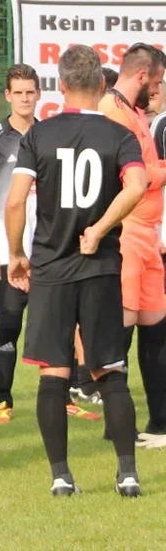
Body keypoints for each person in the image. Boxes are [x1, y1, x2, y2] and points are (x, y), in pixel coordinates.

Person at [5, 44, 147, 497]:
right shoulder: (119, 134)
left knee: (55, 372)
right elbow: (138, 185)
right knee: (109, 369)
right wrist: (100, 228)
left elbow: (15, 200)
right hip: (101, 266)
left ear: (60, 86)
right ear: (102, 84)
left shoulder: (38, 135)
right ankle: (127, 474)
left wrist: (16, 254)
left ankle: (62, 477)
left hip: (51, 269)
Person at [98, 44, 166, 442]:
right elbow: (131, 173)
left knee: (155, 326)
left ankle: (160, 422)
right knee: (119, 331)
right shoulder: (112, 111)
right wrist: (161, 172)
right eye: (155, 82)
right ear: (141, 76)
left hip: (148, 234)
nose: (157, 91)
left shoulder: (135, 112)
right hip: (126, 233)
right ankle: (117, 426)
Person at [0, 65, 47, 423]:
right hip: (6, 251)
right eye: (18, 92)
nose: (24, 98)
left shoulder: (50, 136)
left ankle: (62, 397)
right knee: (10, 327)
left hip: (47, 250)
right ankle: (3, 400)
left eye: (30, 92)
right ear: (7, 95)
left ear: (39, 94)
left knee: (57, 327)